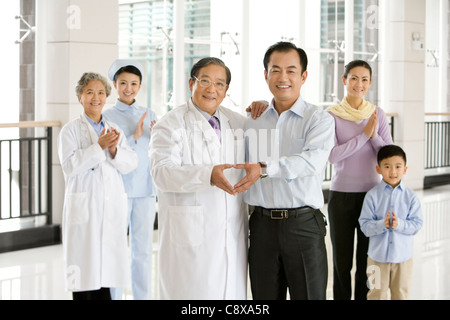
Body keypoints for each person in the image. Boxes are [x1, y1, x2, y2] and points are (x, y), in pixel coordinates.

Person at [234, 41, 335, 300]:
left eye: (291, 70)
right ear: (265, 75)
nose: (283, 78)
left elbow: (311, 161)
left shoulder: (319, 119)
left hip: (303, 226)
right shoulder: (252, 121)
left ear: (303, 76)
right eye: (275, 70)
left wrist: (265, 169)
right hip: (261, 227)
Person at [149, 57, 250, 299]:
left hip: (231, 232)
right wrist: (208, 175)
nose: (211, 89)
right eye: (204, 81)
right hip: (190, 235)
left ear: (226, 90)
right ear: (190, 83)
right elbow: (161, 173)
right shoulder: (170, 124)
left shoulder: (237, 122)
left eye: (219, 83)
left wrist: (261, 108)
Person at [58, 72, 138, 300]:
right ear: (80, 97)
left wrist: (113, 151)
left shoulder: (114, 129)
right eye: (90, 92)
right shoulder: (70, 131)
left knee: (105, 274)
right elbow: (70, 166)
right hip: (85, 208)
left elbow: (131, 162)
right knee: (84, 273)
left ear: (107, 97)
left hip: (109, 207)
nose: (96, 97)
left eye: (101, 93)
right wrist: (98, 146)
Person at [326, 60, 393, 300]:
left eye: (364, 79)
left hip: (372, 197)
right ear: (344, 80)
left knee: (367, 259)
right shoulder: (331, 115)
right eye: (354, 78)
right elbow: (332, 156)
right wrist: (364, 136)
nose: (359, 84)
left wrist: (373, 136)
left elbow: (388, 154)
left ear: (370, 83)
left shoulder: (378, 114)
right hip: (341, 196)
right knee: (341, 262)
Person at [103, 59, 157, 300]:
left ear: (140, 85)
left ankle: (142, 298)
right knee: (116, 248)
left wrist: (157, 137)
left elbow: (157, 152)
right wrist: (134, 136)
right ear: (114, 84)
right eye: (123, 82)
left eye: (134, 83)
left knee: (143, 251)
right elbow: (109, 153)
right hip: (119, 190)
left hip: (146, 189)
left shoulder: (150, 114)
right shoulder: (107, 116)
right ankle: (113, 296)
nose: (129, 88)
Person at [359, 145, 423, 300]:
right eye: (387, 167)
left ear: (405, 169)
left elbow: (416, 224)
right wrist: (382, 224)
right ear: (378, 169)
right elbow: (365, 226)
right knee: (376, 294)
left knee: (401, 294)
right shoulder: (372, 196)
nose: (393, 172)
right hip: (376, 258)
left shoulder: (411, 197)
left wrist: (399, 224)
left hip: (403, 258)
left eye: (398, 167)